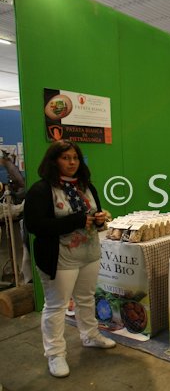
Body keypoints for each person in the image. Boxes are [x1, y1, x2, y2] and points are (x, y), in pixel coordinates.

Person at [24, 140, 115, 378]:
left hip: (89, 253)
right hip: (60, 258)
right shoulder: (41, 190)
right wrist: (75, 221)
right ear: (54, 161)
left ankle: (90, 335)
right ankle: (55, 354)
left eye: (75, 158)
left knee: (86, 298)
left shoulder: (86, 186)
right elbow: (34, 225)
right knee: (56, 306)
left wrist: (99, 220)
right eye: (66, 158)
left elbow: (94, 215)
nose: (72, 162)